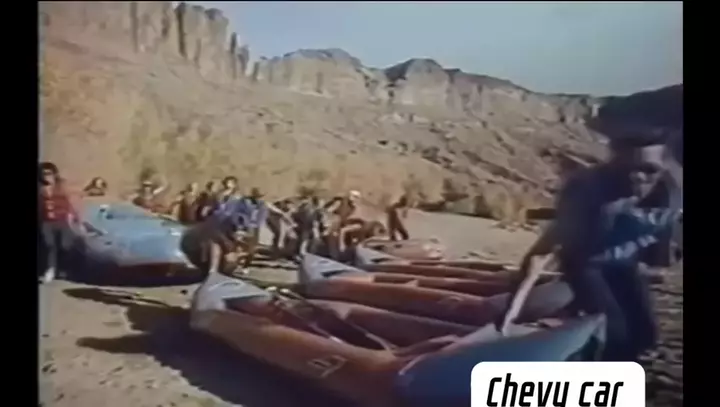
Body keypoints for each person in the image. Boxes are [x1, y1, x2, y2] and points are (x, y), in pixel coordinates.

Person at [497, 129, 683, 362]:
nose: (636, 177)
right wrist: (512, 309)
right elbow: (541, 253)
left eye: (649, 170)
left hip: (625, 262)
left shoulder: (675, 192)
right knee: (615, 334)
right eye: (623, 170)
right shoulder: (588, 195)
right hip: (585, 261)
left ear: (666, 168)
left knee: (645, 336)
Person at [38, 162, 80, 283]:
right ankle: (51, 269)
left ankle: (63, 268)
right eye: (44, 173)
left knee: (65, 246)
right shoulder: (40, 187)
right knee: (49, 244)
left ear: (54, 174)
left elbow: (69, 202)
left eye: (49, 173)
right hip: (46, 221)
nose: (46, 175)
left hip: (62, 220)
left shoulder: (61, 186)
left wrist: (74, 216)